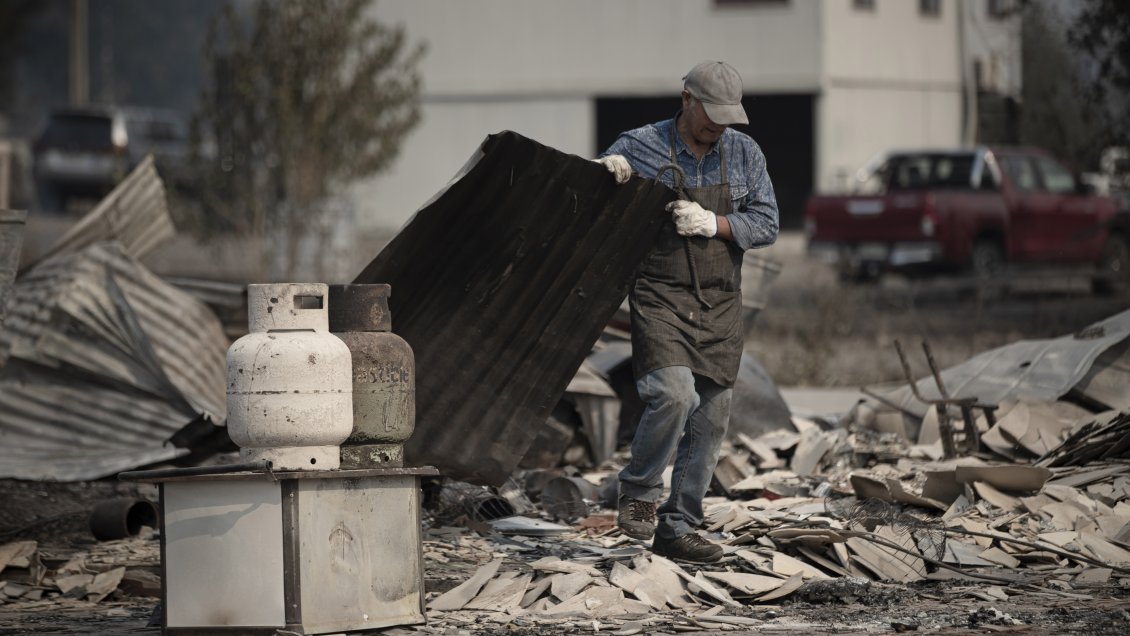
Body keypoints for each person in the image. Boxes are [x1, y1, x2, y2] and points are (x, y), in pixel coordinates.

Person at [594, 60, 779, 562]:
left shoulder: (744, 154)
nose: (718, 124)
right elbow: (597, 186)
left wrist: (714, 223)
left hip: (719, 303)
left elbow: (767, 222)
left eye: (727, 115)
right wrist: (609, 173)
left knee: (711, 422)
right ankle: (637, 494)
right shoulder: (641, 144)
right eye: (710, 113)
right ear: (685, 100)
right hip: (661, 297)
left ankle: (678, 528)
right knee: (674, 395)